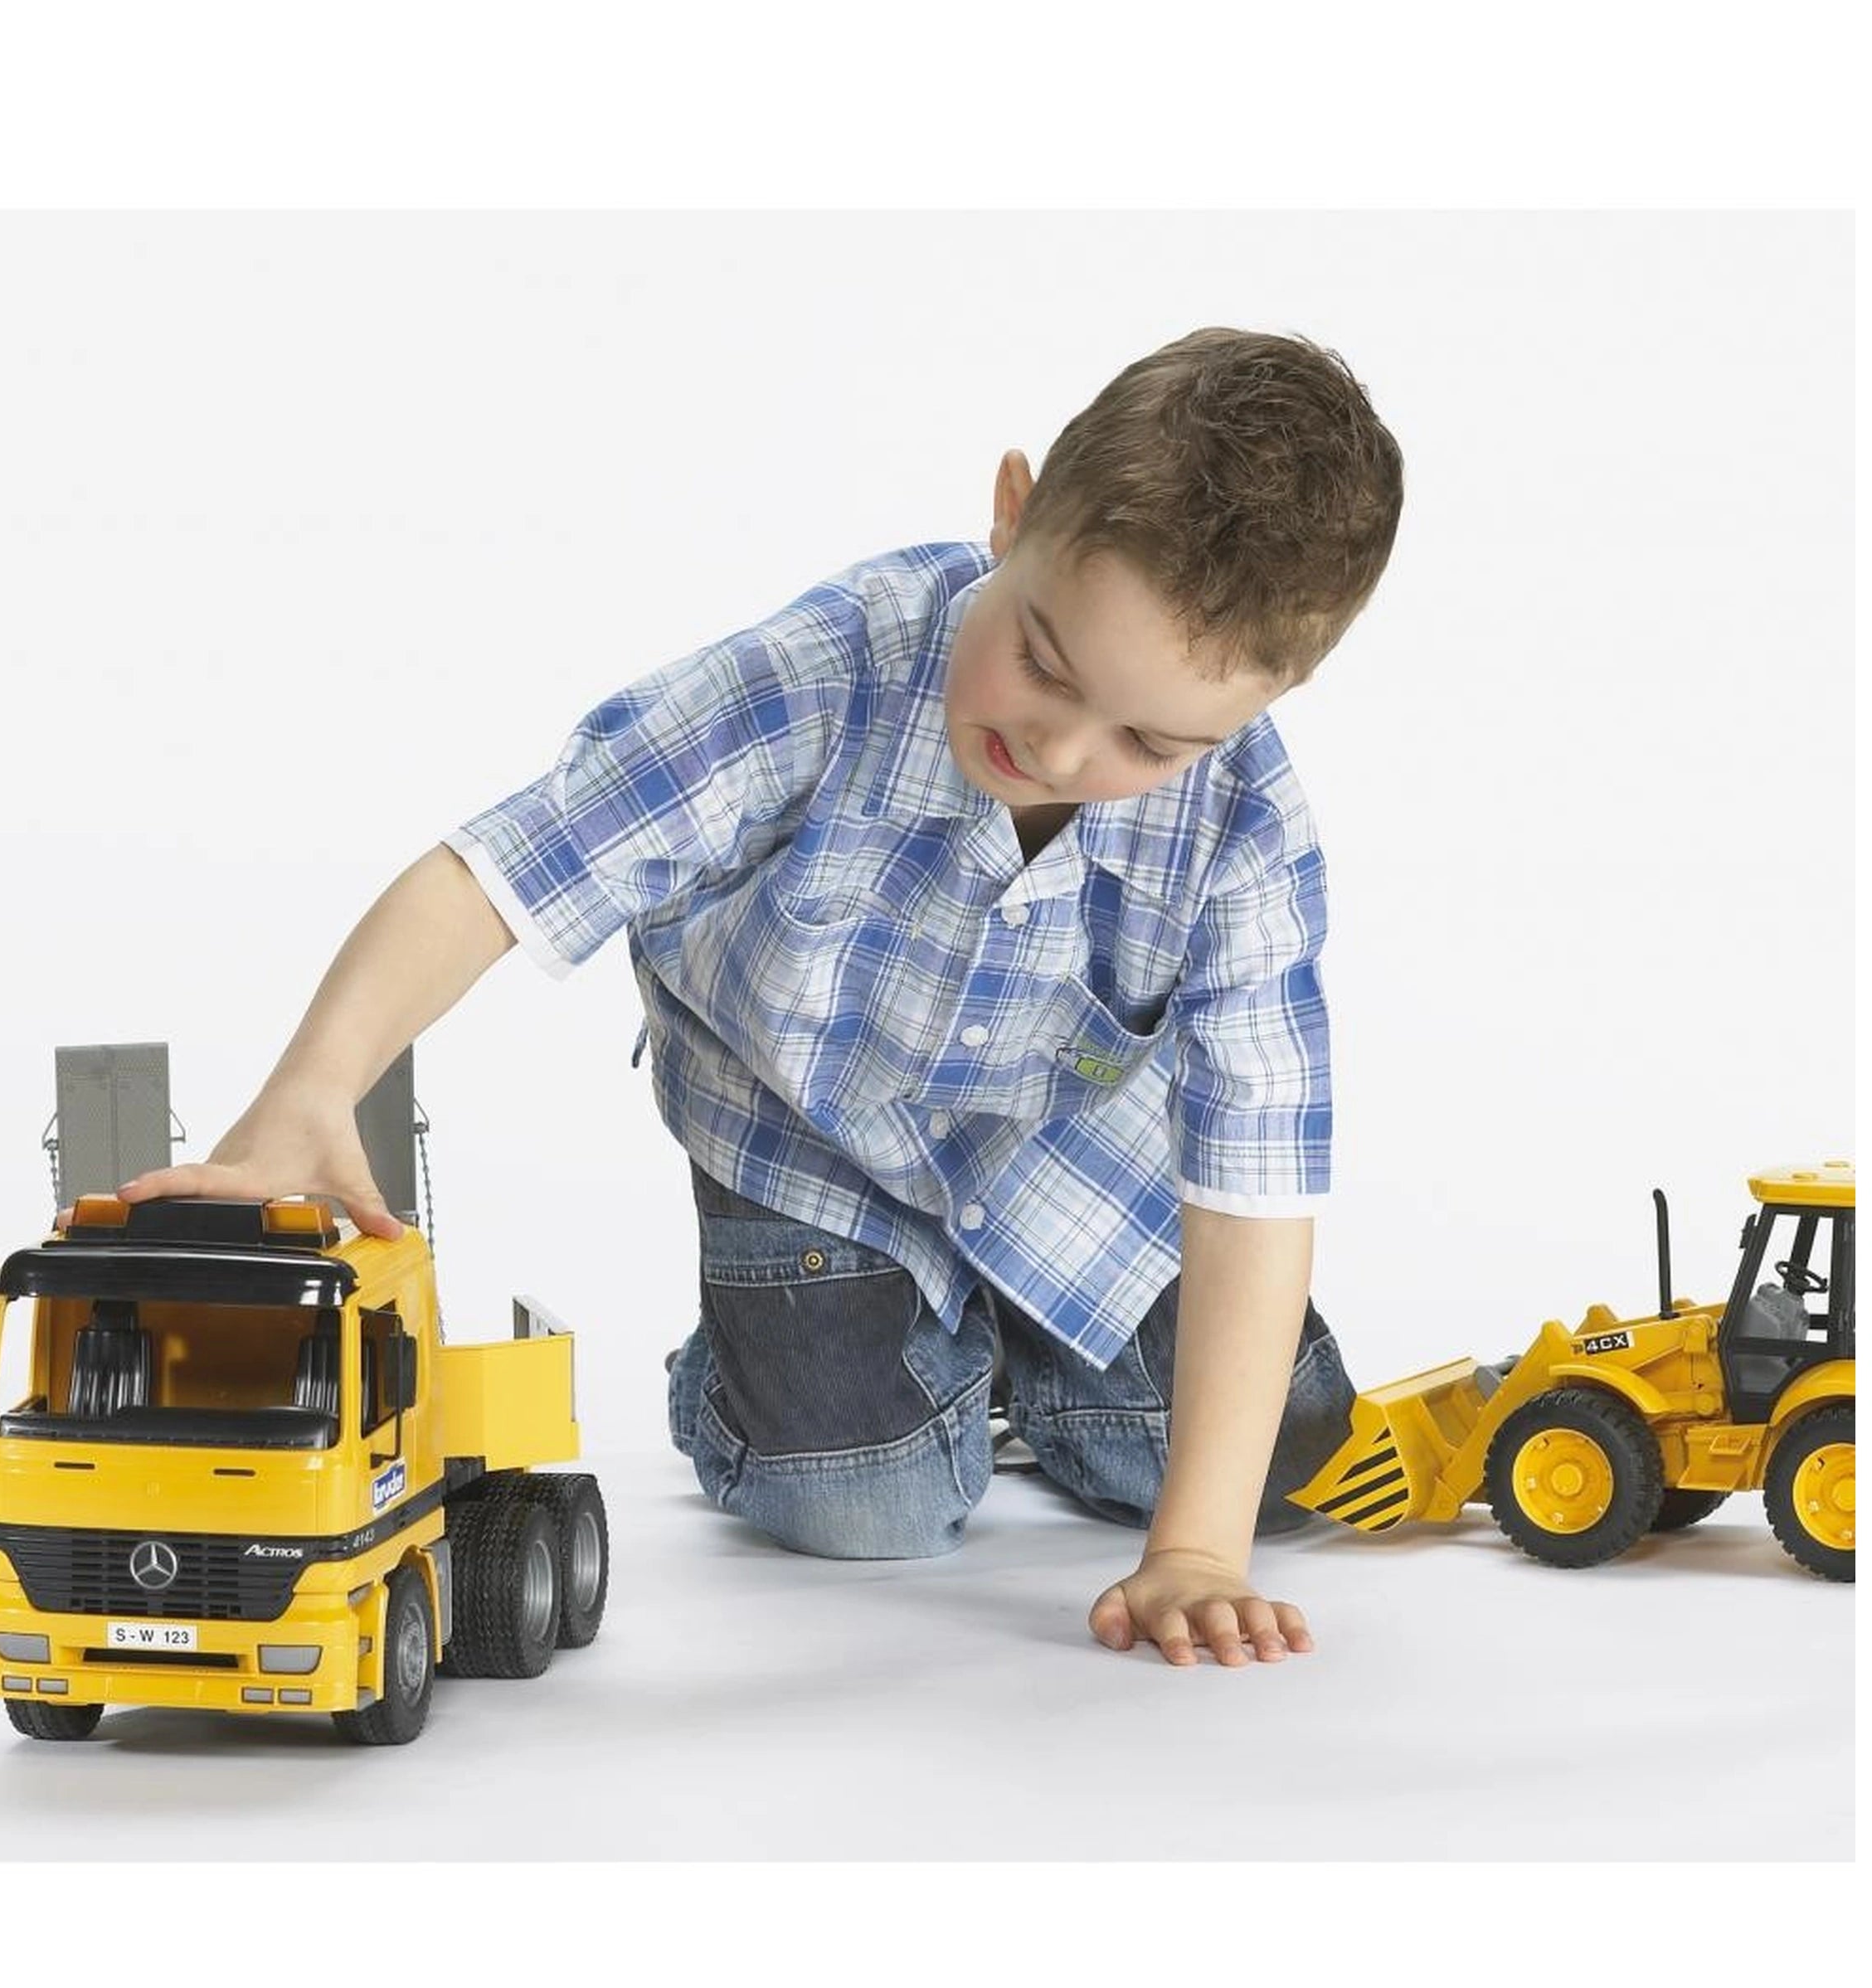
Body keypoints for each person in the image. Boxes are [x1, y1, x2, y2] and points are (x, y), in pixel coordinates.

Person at [119, 328, 1404, 1670]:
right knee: (872, 1504)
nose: (1062, 754)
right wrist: (308, 1094)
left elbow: (1257, 1167)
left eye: (1150, 743)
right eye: (1044, 664)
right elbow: (508, 866)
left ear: (1260, 707)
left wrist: (1193, 1552)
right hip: (803, 1132)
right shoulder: (825, 675)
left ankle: (1021, 1370)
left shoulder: (1250, 822)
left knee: (1285, 1454)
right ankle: (752, 1380)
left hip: (1059, 1158)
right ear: (1012, 513)